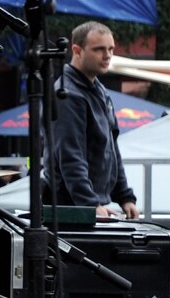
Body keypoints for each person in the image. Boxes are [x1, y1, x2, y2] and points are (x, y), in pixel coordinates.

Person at [42, 21, 140, 219]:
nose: (108, 55)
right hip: (68, 208)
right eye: (99, 49)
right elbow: (70, 156)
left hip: (86, 205)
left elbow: (112, 148)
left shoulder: (99, 90)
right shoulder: (68, 94)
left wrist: (125, 197)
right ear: (77, 50)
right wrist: (89, 204)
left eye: (111, 49)